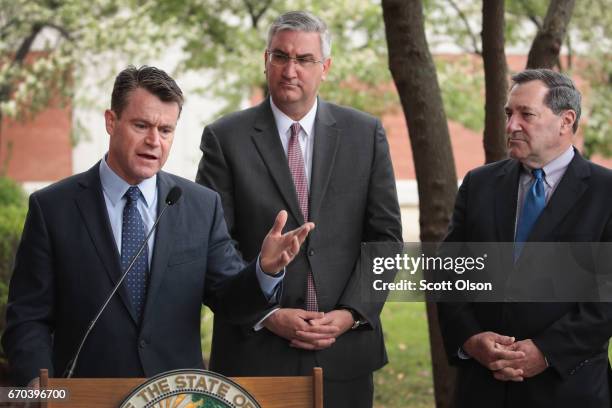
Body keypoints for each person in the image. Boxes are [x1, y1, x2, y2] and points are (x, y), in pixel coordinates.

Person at [2, 65, 314, 387]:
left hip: (176, 395)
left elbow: (230, 300)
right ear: (111, 122)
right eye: (141, 125)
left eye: (166, 130)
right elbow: (28, 317)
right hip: (86, 395)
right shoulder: (53, 207)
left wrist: (264, 270)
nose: (154, 141)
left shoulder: (201, 206)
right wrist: (37, 382)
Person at [196, 10, 402, 408]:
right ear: (266, 60)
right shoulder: (225, 138)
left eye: (304, 59)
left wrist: (350, 314)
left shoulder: (365, 133)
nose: (291, 70)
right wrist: (267, 314)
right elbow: (211, 245)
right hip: (254, 353)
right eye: (280, 56)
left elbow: (385, 239)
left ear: (325, 67)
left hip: (344, 354)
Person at [438, 68, 612, 408]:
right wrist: (471, 339)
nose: (511, 125)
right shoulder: (479, 185)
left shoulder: (606, 193)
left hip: (567, 389)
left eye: (526, 114)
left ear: (566, 121)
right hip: (482, 389)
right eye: (508, 113)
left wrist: (546, 351)